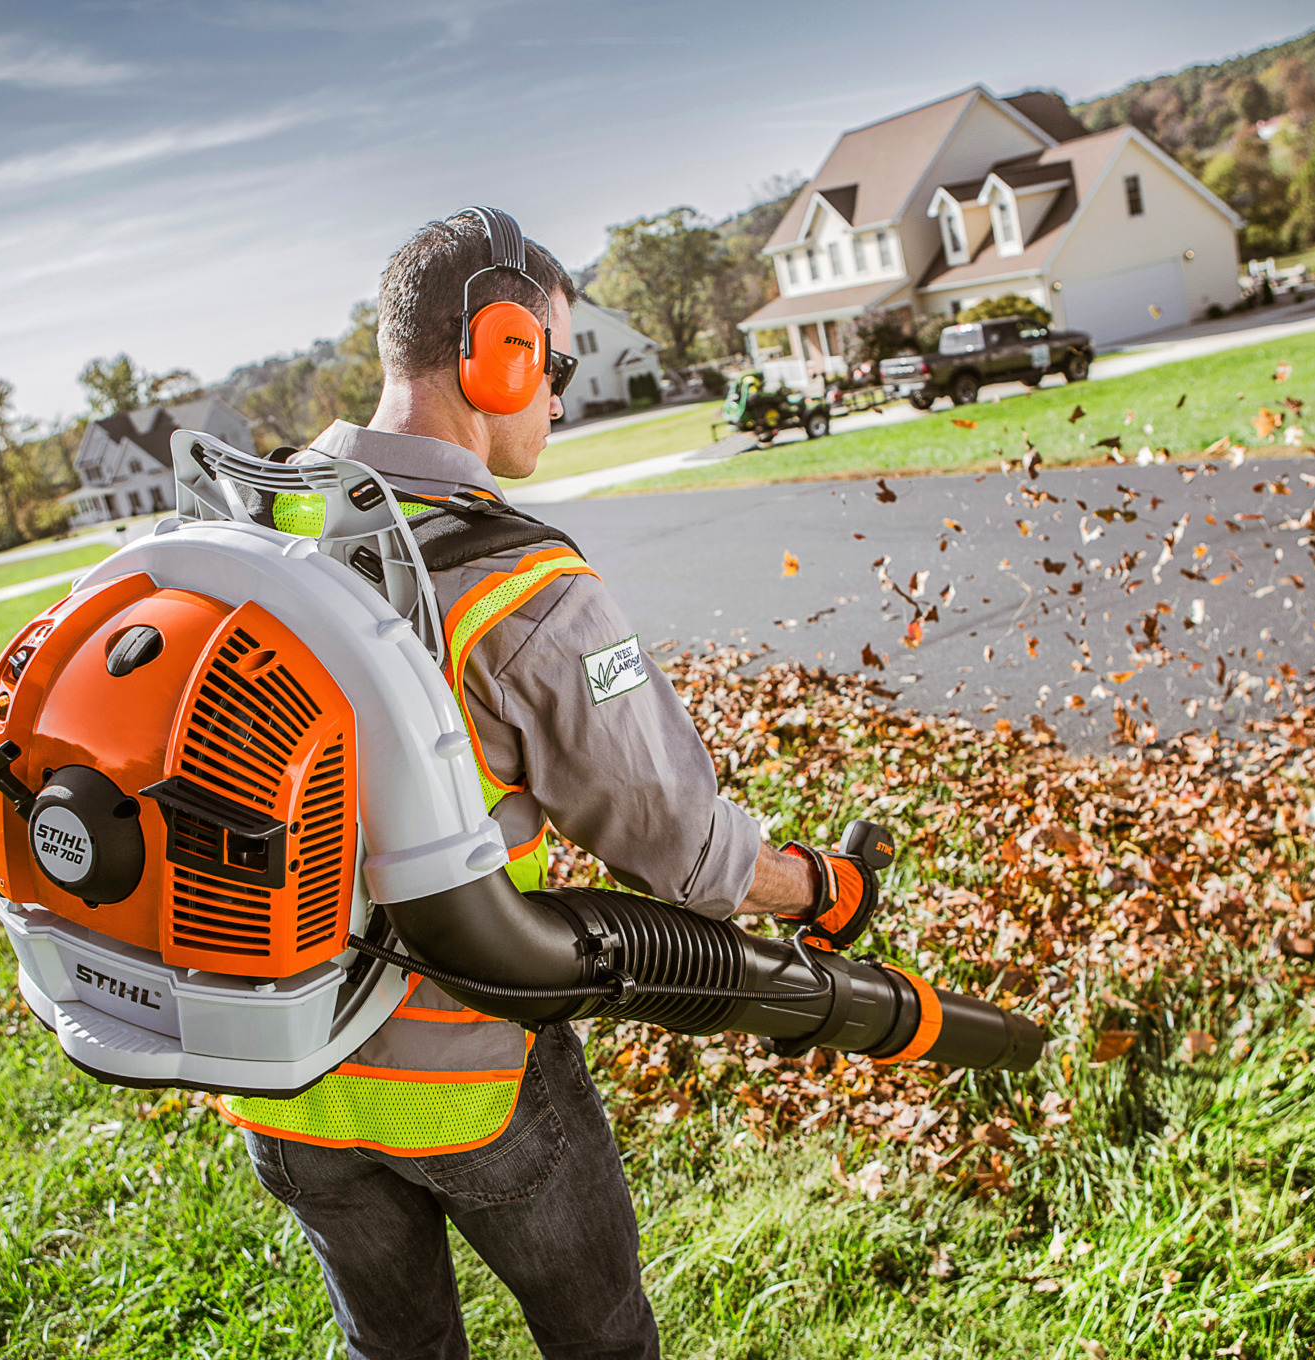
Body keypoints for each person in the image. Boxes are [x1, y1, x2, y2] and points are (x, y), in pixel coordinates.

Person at [217, 208, 883, 1360]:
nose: (562, 396)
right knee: (604, 1341)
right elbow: (683, 851)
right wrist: (823, 885)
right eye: (556, 363)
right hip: (468, 1075)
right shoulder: (520, 584)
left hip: (280, 1080)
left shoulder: (254, 533)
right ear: (500, 350)